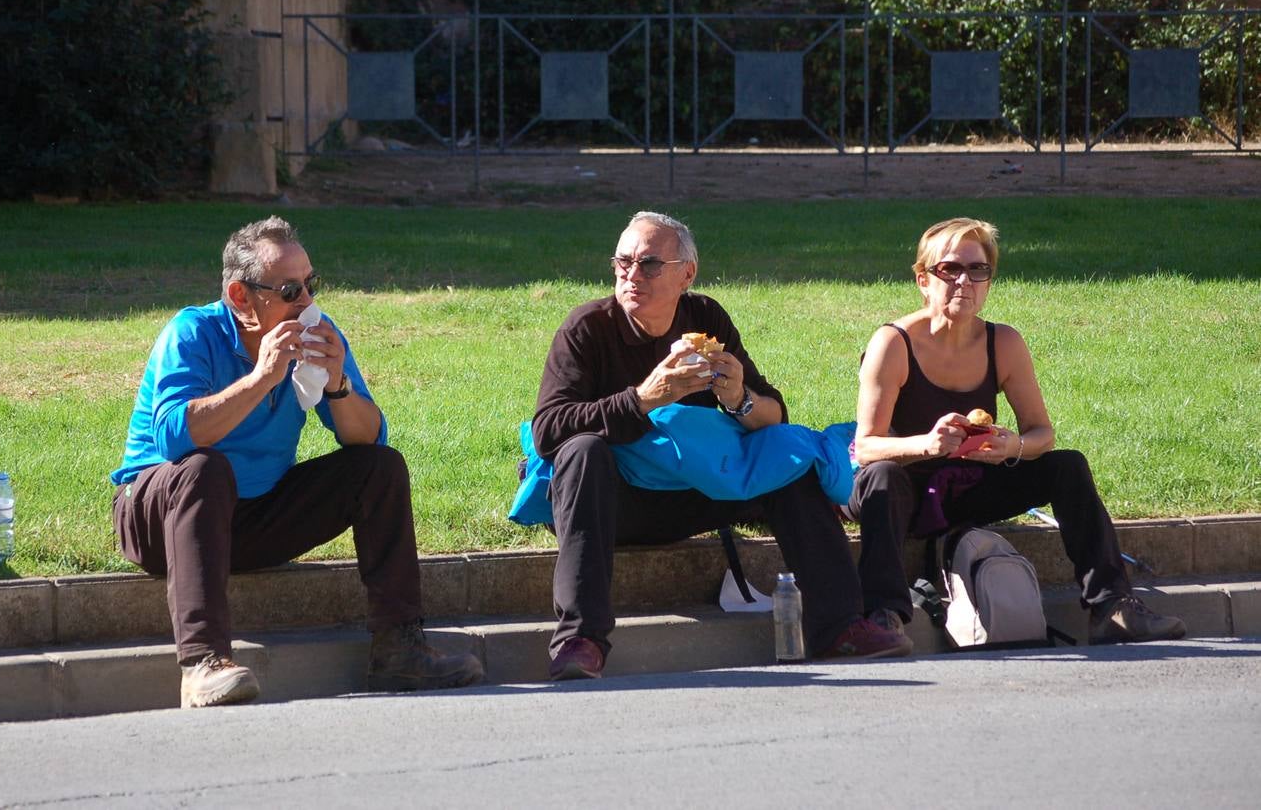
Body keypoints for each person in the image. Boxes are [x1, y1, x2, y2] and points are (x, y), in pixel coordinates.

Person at [111, 216, 483, 708]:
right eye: (290, 289)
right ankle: (202, 663)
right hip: (160, 519)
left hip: (252, 517)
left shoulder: (319, 335)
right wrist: (263, 377)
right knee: (205, 466)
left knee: (380, 467)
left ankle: (400, 650)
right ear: (241, 296)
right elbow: (175, 437)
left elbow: (369, 437)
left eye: (312, 283)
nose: (306, 300)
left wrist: (337, 385)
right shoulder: (193, 332)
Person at [533, 210, 911, 681]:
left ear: (686, 274)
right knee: (581, 451)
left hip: (697, 492)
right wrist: (645, 399)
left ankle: (839, 627)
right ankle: (580, 640)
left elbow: (774, 413)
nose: (631, 275)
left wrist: (737, 398)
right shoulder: (588, 327)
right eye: (622, 262)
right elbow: (549, 429)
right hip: (613, 505)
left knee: (784, 455)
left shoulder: (705, 317)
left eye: (649, 264)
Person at [848, 217, 1185, 645]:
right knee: (883, 475)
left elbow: (1043, 433)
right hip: (902, 494)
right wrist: (927, 444)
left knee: (1067, 466)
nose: (964, 281)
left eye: (978, 270)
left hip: (970, 485)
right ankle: (883, 617)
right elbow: (867, 447)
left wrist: (1013, 446)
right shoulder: (893, 342)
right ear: (923, 280)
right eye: (949, 269)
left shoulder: (1003, 342)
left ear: (989, 280)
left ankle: (1112, 607)